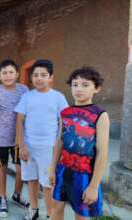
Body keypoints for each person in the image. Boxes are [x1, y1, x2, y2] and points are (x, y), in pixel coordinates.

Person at [49, 67, 110, 220]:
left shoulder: (100, 115)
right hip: (63, 170)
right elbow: (60, 141)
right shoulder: (65, 113)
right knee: (55, 207)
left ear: (96, 88)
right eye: (75, 84)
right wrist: (52, 168)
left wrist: (94, 186)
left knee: (81, 215)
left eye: (85, 85)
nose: (78, 89)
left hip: (84, 174)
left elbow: (102, 152)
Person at [15, 59, 68, 220]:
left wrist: (58, 146)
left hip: (48, 148)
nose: (39, 78)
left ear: (51, 77)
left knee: (47, 183)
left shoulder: (58, 97)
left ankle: (50, 214)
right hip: (29, 147)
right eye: (36, 75)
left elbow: (63, 123)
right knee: (31, 179)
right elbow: (19, 121)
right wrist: (22, 146)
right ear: (31, 78)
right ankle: (34, 209)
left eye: (43, 75)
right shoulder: (27, 97)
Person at [0, 59, 29, 218]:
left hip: (19, 139)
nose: (8, 75)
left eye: (11, 72)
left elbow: (27, 113)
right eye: (4, 72)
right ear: (0, 76)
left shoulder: (24, 90)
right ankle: (3, 199)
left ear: (17, 74)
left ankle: (17, 195)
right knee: (1, 169)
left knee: (21, 169)